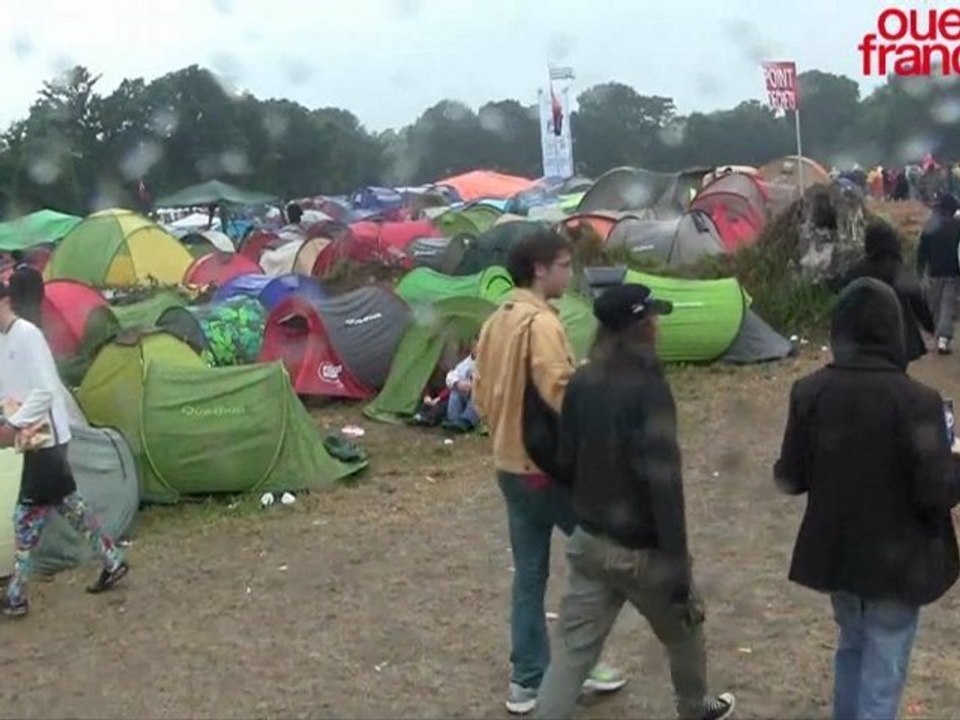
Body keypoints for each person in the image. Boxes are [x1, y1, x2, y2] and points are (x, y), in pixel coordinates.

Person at [534, 283, 736, 720]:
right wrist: (678, 566)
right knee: (685, 628)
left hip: (590, 541)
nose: (658, 325)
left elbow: (566, 460)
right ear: (640, 327)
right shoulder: (649, 388)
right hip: (640, 549)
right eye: (653, 318)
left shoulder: (583, 379)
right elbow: (663, 484)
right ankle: (695, 705)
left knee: (571, 654)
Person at [774, 277, 960, 720]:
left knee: (853, 646)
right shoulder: (919, 401)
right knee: (884, 664)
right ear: (892, 329)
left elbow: (789, 477)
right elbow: (938, 491)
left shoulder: (809, 391)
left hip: (837, 552)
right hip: (899, 560)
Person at [474, 228, 626, 715]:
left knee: (531, 575)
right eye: (563, 264)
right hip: (543, 466)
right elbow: (561, 390)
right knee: (606, 556)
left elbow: (478, 390)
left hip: (507, 462)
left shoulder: (496, 318)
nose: (569, 272)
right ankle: (575, 664)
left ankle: (528, 679)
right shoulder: (540, 324)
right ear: (539, 269)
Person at [0, 281, 128, 618]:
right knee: (69, 504)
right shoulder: (3, 342)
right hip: (32, 434)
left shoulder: (27, 335)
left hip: (49, 435)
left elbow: (45, 390)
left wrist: (15, 424)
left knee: (26, 514)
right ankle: (112, 559)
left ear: (5, 302)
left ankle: (16, 594)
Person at [838, 219, 933, 363]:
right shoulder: (897, 268)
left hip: (865, 330)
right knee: (897, 373)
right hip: (898, 330)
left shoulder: (857, 269)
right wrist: (929, 324)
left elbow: (844, 297)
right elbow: (916, 297)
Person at [917, 193, 960, 354]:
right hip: (953, 272)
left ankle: (936, 335)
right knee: (948, 305)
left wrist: (920, 271)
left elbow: (922, 251)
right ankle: (943, 338)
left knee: (934, 305)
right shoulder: (958, 226)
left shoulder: (930, 226)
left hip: (934, 272)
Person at [444, 339, 480, 431]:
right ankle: (454, 419)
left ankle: (467, 420)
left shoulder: (489, 363)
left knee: (477, 396)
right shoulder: (465, 364)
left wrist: (474, 385)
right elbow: (451, 376)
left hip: (479, 394)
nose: (477, 349)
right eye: (475, 347)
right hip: (465, 393)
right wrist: (458, 383)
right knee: (454, 393)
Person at [8, 255, 45, 327]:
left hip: (22, 313)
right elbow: (41, 291)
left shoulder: (15, 276)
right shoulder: (37, 273)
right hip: (35, 310)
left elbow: (15, 296)